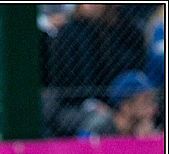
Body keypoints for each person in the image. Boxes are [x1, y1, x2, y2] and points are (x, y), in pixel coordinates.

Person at [45, 4, 147, 137]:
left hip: (108, 102)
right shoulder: (69, 31)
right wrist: (91, 103)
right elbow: (64, 81)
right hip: (71, 106)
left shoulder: (113, 28)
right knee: (101, 121)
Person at [80, 71, 158, 137]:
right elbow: (79, 150)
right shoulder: (99, 127)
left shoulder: (143, 130)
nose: (153, 109)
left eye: (152, 101)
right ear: (125, 106)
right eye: (145, 102)